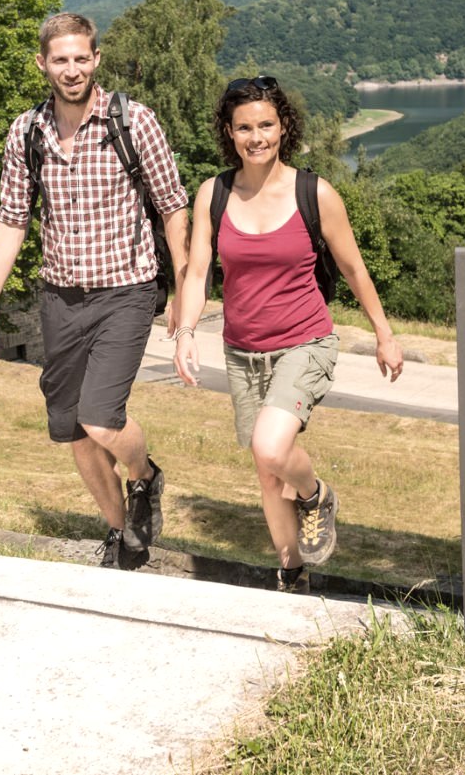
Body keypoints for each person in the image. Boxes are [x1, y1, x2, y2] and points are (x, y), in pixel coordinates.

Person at [0, 11, 190, 571]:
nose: (71, 70)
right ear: (42, 64)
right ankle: (123, 536)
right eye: (60, 60)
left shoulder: (133, 122)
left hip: (126, 290)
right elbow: (12, 219)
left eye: (80, 58)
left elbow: (173, 207)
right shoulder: (27, 131)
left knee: (100, 417)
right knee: (74, 432)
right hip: (60, 297)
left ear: (96, 59)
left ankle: (144, 476)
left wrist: (185, 289)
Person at [171, 75, 402, 593]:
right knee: (267, 470)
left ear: (284, 128)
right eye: (244, 128)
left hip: (304, 342)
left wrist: (384, 334)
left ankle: (317, 494)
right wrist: (186, 331)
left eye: (266, 125)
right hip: (243, 352)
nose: (256, 137)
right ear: (229, 133)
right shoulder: (214, 193)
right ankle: (292, 572)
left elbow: (354, 269)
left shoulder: (314, 193)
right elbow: (198, 272)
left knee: (272, 449)